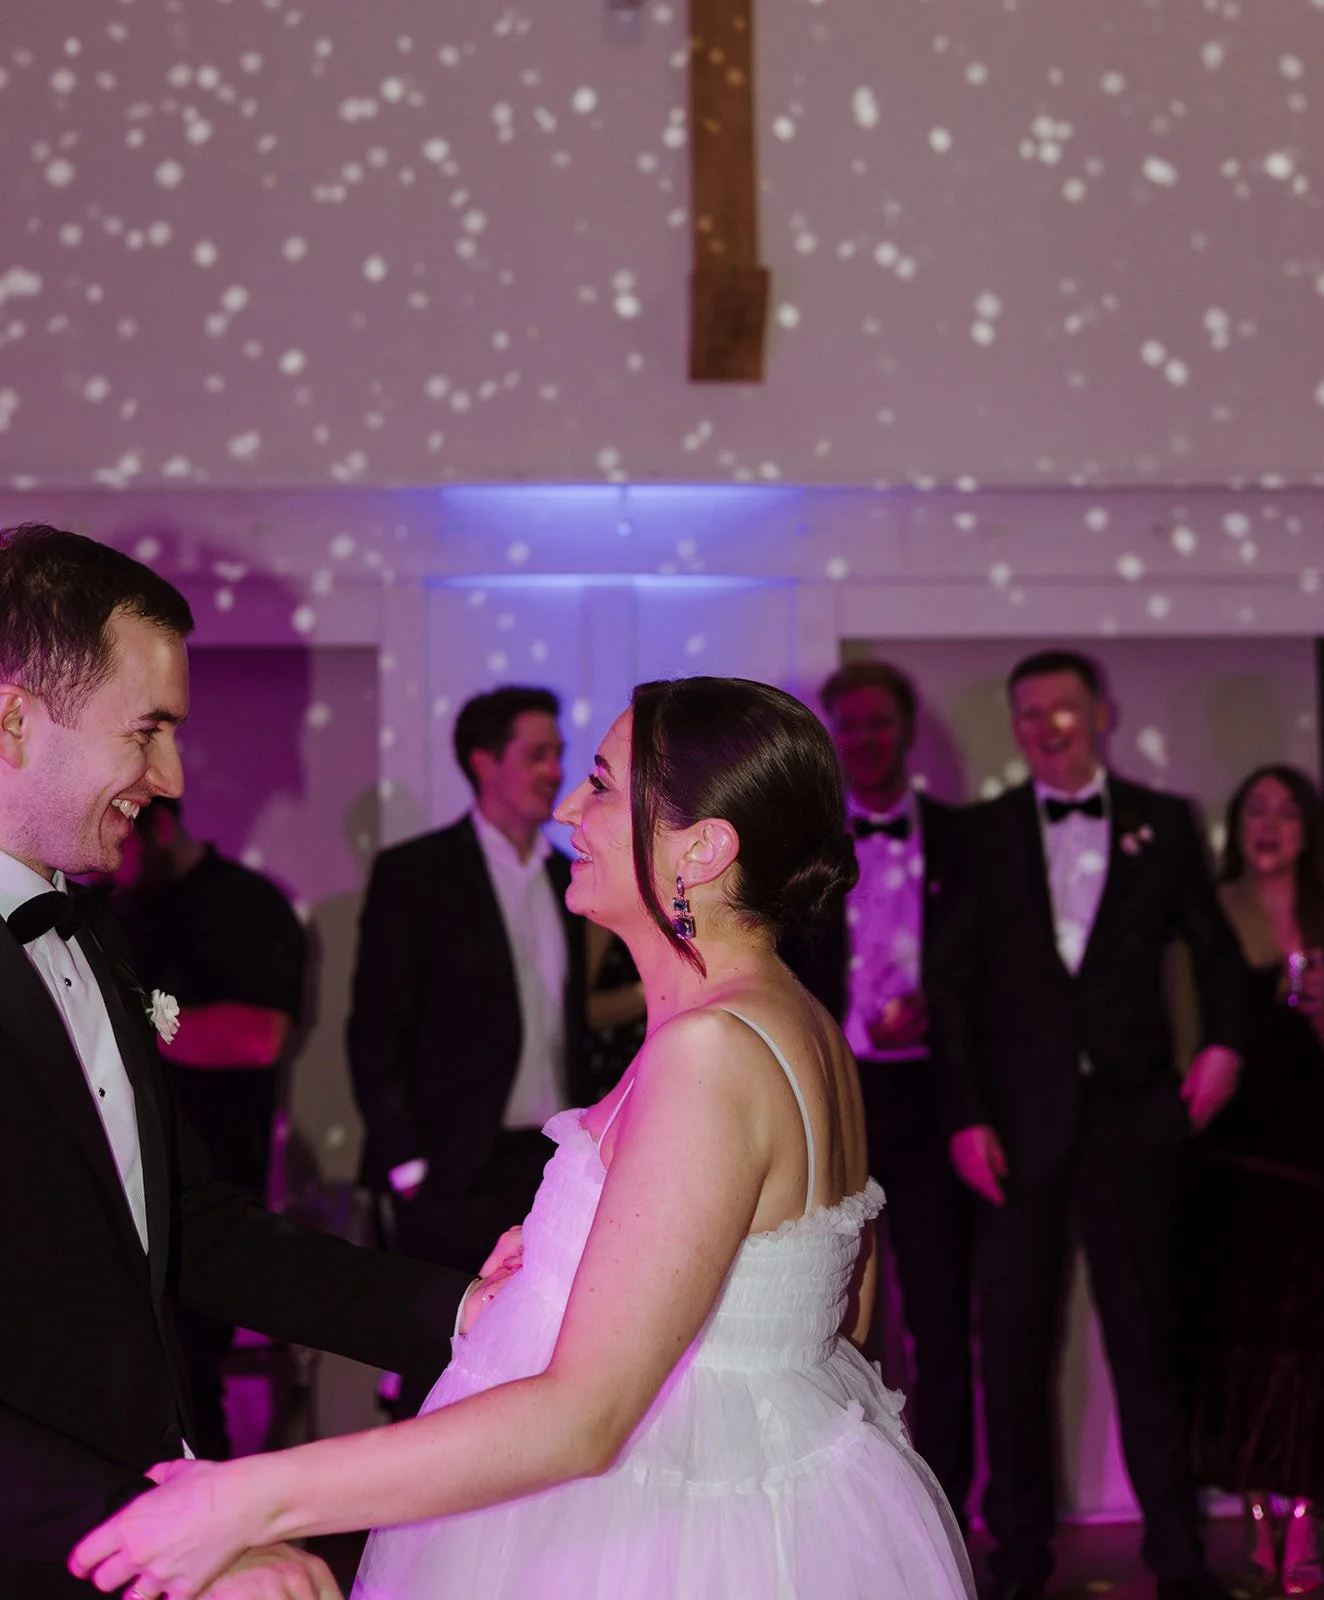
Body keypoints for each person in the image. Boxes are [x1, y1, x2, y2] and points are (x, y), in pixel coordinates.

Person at [72, 676, 975, 1600]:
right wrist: (562, 1268)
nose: (570, 810)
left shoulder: (711, 1049)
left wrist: (248, 1498)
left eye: (602, 784)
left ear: (701, 850)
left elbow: (586, 1418)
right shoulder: (800, 1023)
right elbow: (835, 1310)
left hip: (663, 1534)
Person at [0, 523, 500, 1600]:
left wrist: (465, 1309)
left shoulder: (88, 931)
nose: (170, 776)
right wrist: (149, 1532)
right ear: (12, 718)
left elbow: (197, 1229)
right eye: (148, 731)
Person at [927, 648, 1248, 1600]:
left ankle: (1180, 1564)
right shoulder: (980, 832)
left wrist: (1224, 1047)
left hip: (1133, 1122)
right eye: (1027, 713)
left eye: (1061, 709)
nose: (1044, 726)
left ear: (1100, 714)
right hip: (1013, 1135)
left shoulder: (1163, 823)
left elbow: (1218, 956)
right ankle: (1018, 1564)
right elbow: (951, 992)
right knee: (1012, 1352)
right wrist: (966, 1117)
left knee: (1149, 1348)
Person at [346, 685, 586, 1413]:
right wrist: (411, 1166)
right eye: (537, 754)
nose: (555, 770)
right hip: (450, 1169)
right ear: (485, 762)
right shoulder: (416, 873)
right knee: (439, 1371)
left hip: (548, 1166)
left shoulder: (567, 874)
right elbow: (374, 1029)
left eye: (558, 754)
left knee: (542, 1363)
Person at [785, 658, 974, 1522]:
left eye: (877, 723)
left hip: (938, 1106)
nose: (863, 740)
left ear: (905, 729)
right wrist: (855, 1036)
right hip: (837, 1103)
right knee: (834, 1316)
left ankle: (949, 1512)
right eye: (848, 725)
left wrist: (936, 1010)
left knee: (942, 1322)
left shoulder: (966, 839)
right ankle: (855, 1515)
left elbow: (988, 977)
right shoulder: (806, 848)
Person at [1177, 766, 1324, 1593]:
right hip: (1225, 1160)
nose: (1269, 824)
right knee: (1231, 1338)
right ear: (1236, 827)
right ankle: (1255, 1519)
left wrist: (1323, 1013)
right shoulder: (1209, 911)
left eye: (1285, 812)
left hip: (1311, 1163)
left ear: (1309, 828)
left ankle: (1306, 1515)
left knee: (1310, 1345)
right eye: (1254, 810)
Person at [110, 796, 309, 1460]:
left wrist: (123, 1030)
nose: (115, 861)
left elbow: (260, 1036)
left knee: (193, 1390)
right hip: (113, 1191)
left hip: (210, 1191)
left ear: (160, 825)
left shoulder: (249, 906)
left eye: (127, 836)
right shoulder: (106, 909)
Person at [578, 922, 646, 1097]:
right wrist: (663, 990)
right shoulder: (606, 909)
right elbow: (577, 1010)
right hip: (616, 1076)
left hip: (668, 1068)